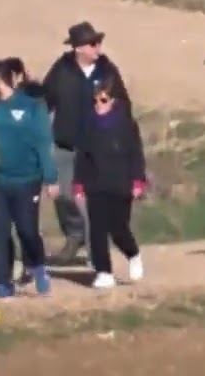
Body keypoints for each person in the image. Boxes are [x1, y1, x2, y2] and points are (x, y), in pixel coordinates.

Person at [42, 22, 128, 264]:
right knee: (63, 196)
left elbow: (122, 104)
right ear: (78, 48)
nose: (98, 48)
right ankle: (74, 235)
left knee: (89, 201)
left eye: (98, 42)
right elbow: (45, 100)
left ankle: (96, 253)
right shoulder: (62, 69)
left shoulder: (107, 70)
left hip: (95, 147)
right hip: (65, 144)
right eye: (93, 43)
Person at [0, 59, 57, 298]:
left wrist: (51, 177)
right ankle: (2, 281)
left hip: (27, 181)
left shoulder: (31, 106)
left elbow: (43, 142)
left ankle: (38, 266)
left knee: (27, 230)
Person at [73, 77, 147, 289]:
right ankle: (104, 271)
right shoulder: (88, 123)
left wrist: (138, 181)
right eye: (95, 100)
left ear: (113, 101)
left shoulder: (126, 124)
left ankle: (133, 254)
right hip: (95, 184)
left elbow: (136, 154)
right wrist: (79, 183)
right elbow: (83, 155)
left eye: (103, 100)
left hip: (121, 183)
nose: (98, 105)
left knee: (118, 228)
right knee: (96, 229)